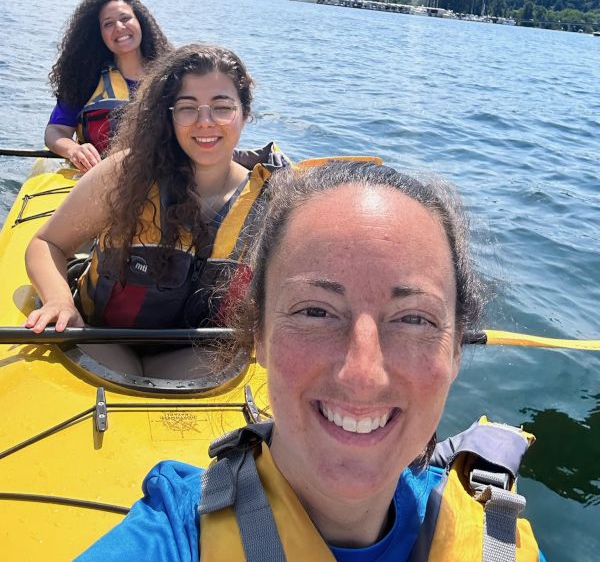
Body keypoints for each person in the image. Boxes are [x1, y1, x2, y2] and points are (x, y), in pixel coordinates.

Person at [74, 162, 546, 561]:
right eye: (315, 311)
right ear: (258, 333)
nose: (362, 374)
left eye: (413, 319)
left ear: (456, 348)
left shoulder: (497, 546)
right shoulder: (176, 537)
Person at [25, 44, 288, 377]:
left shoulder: (274, 200)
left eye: (222, 107)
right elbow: (47, 244)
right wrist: (59, 300)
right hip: (100, 341)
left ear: (244, 113)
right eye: (187, 108)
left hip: (199, 359)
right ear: (169, 115)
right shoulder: (124, 173)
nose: (205, 123)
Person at [45, 0, 171, 171]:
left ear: (140, 21)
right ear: (99, 34)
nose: (119, 27)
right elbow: (55, 130)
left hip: (159, 181)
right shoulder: (84, 79)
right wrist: (74, 150)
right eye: (108, 24)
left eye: (125, 18)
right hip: (97, 179)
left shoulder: (172, 78)